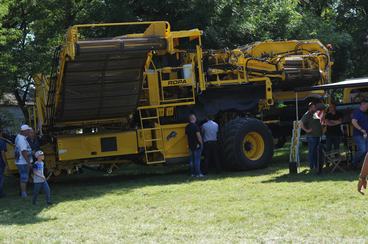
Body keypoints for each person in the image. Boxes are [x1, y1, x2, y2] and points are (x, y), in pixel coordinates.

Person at [300, 102, 323, 170]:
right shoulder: (307, 114)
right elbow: (301, 123)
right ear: (310, 108)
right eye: (314, 107)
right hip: (311, 137)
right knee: (312, 152)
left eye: (315, 107)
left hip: (317, 136)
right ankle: (311, 166)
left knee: (316, 152)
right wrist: (307, 130)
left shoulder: (315, 113)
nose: (315, 108)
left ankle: (316, 166)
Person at [15, 124, 33, 197]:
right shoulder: (22, 139)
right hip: (23, 162)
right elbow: (23, 151)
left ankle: (22, 192)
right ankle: (23, 193)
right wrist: (28, 162)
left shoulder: (19, 137)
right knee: (24, 177)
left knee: (24, 177)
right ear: (24, 131)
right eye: (28, 130)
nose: (29, 132)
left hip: (21, 161)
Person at [351, 99, 368, 168]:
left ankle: (362, 166)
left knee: (366, 151)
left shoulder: (365, 113)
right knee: (362, 150)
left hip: (365, 135)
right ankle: (354, 163)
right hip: (358, 135)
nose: (367, 107)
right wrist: (361, 129)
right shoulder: (357, 112)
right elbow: (353, 122)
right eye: (367, 106)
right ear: (363, 104)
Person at [0, 129, 7, 198]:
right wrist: (6, 164)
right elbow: (3, 154)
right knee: (1, 178)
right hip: (0, 163)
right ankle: (1, 193)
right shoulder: (1, 142)